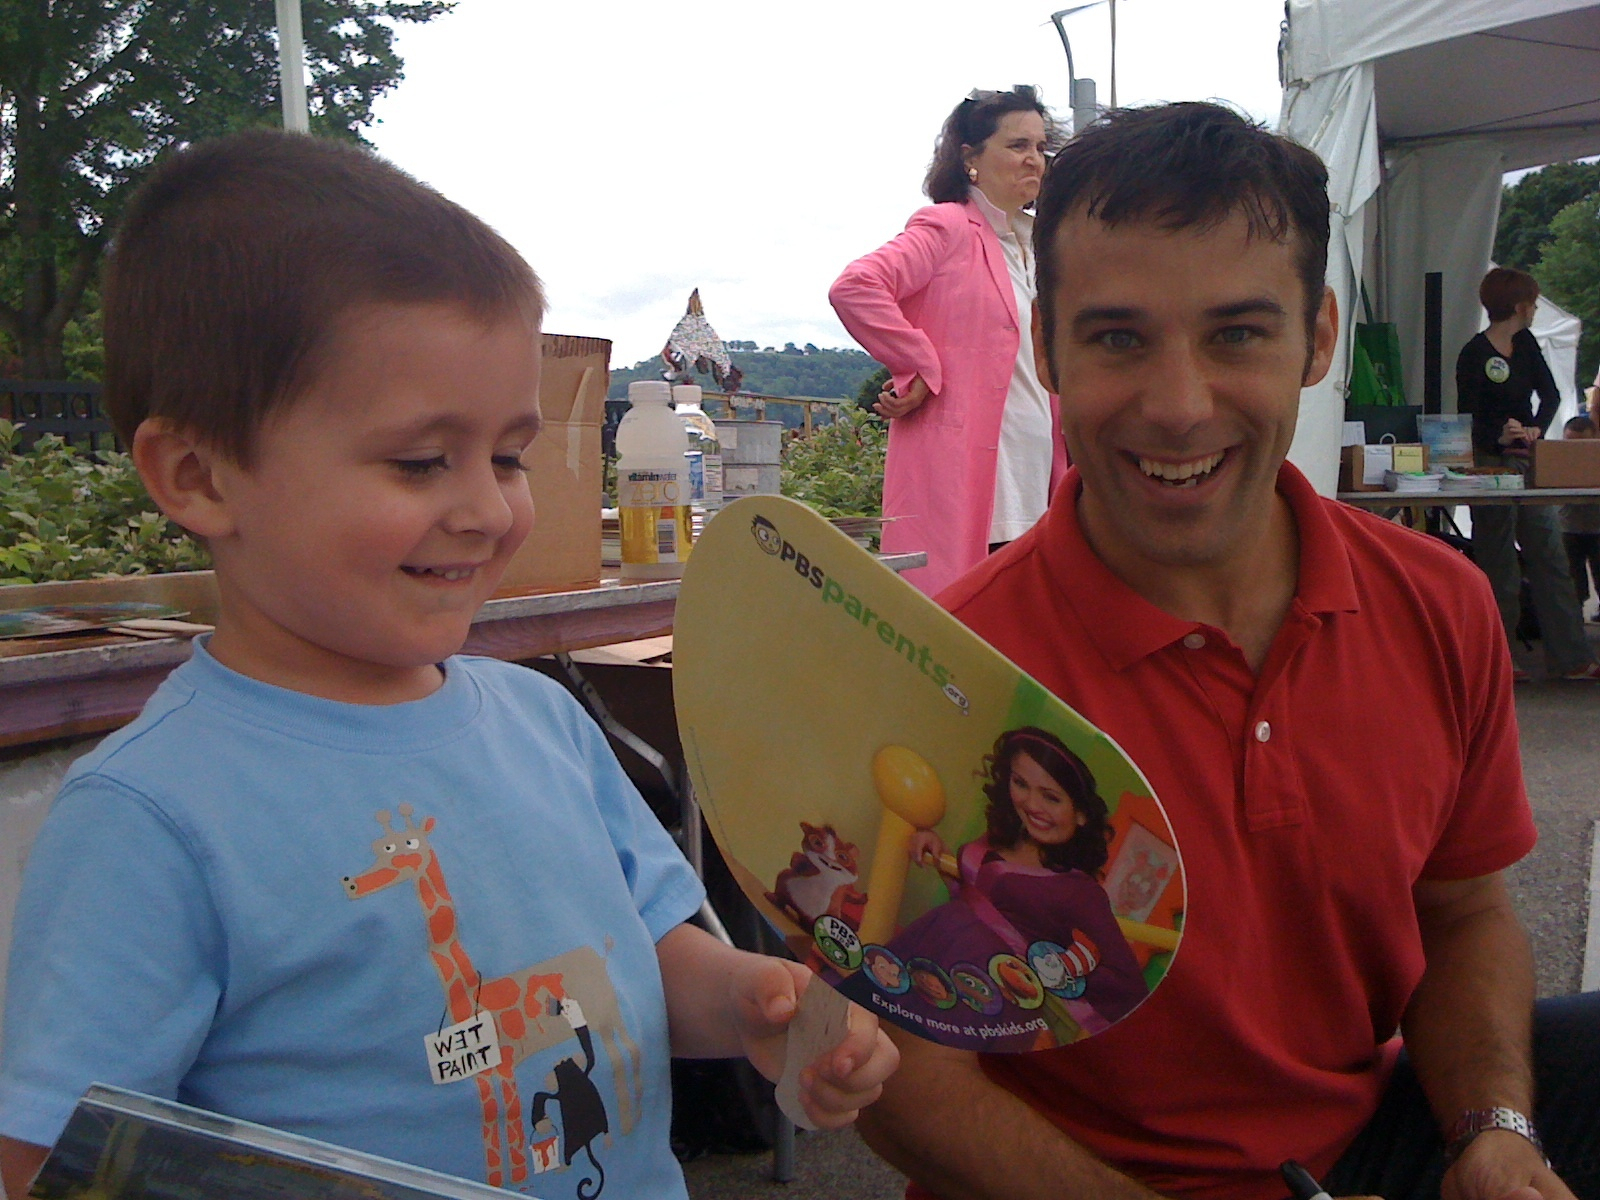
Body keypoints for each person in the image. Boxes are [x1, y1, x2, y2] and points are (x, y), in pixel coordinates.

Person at [0, 131, 897, 1200]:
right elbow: (48, 1161)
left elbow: (650, 960)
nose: (486, 508)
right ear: (198, 475)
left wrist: (753, 1003)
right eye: (422, 461)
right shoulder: (148, 819)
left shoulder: (547, 723)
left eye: (508, 456)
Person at [856, 102, 1599, 1200]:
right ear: (1048, 346)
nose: (1177, 404)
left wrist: (1491, 1130)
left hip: (1363, 1139)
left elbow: (1462, 914)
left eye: (1237, 334)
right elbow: (907, 1079)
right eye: (1117, 338)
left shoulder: (1438, 602)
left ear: (1317, 340)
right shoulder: (944, 668)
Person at [830, 86, 1070, 595]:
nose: (1033, 159)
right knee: (960, 629)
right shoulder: (946, 227)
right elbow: (856, 288)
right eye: (1017, 145)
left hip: (1035, 475)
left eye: (1039, 147)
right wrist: (916, 366)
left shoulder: (1038, 247)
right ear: (970, 158)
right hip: (965, 478)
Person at [886, 726, 1146, 1040]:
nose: (1032, 805)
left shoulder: (1080, 891)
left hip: (985, 995)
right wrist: (938, 850)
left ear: (1081, 815)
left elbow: (1128, 984)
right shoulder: (1002, 836)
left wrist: (1059, 972)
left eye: (1051, 797)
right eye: (1021, 783)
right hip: (929, 947)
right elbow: (975, 898)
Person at [1456, 268, 1600, 682]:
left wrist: (1536, 426)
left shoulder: (1527, 345)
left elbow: (1551, 395)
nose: (1535, 310)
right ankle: (1502, 658)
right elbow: (1467, 414)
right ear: (1520, 307)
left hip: (1528, 460)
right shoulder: (1475, 353)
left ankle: (1571, 655)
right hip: (1488, 461)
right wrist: (1497, 435)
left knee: (1550, 553)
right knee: (1497, 563)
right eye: (1533, 304)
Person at [1558, 415, 1600, 621]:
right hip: (1569, 526)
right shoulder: (1557, 460)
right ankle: (1572, 619)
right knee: (1572, 579)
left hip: (1595, 527)